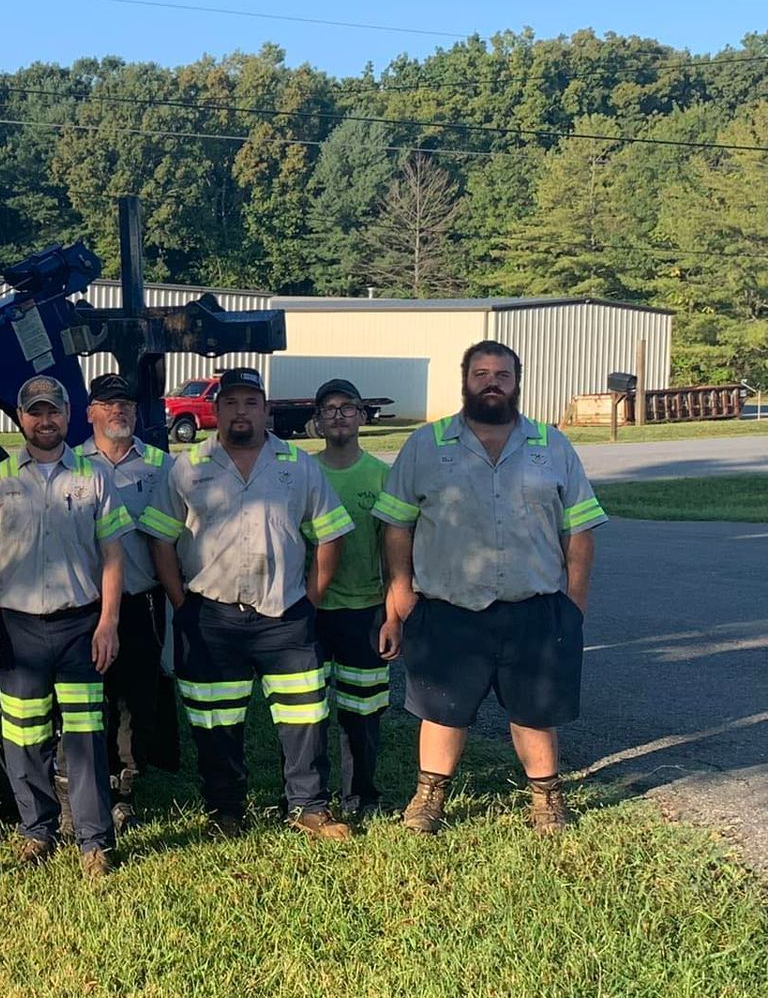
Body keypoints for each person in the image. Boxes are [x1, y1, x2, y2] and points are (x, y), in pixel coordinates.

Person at [373, 341, 605, 835]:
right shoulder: (426, 444)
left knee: (535, 711)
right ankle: (428, 800)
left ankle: (546, 800)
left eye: (502, 374)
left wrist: (575, 603)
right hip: (449, 607)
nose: (492, 382)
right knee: (441, 710)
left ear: (517, 383)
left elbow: (580, 528)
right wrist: (401, 595)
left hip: (534, 608)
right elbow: (395, 525)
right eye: (481, 373)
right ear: (466, 380)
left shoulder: (552, 445)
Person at [139, 367, 356, 842]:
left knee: (304, 718)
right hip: (210, 615)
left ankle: (308, 807)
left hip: (285, 615)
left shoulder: (297, 465)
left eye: (250, 402)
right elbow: (159, 536)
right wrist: (184, 602)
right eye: (231, 403)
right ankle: (226, 809)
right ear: (215, 411)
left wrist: (312, 597)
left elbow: (330, 533)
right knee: (216, 722)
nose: (241, 411)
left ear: (266, 409)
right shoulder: (188, 467)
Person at [0, 374, 128, 877]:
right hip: (18, 630)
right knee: (24, 735)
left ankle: (94, 841)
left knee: (84, 738)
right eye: (35, 412)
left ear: (67, 416)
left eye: (53, 411)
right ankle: (37, 830)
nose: (45, 420)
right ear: (20, 419)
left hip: (80, 626)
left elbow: (113, 554)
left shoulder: (93, 478)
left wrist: (108, 623)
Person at [75, 372, 181, 829]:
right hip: (83, 607)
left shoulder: (162, 466)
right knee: (87, 698)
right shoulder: (70, 463)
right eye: (107, 403)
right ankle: (88, 781)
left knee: (136, 699)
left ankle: (125, 785)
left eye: (126, 404)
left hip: (141, 602)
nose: (118, 411)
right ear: (90, 413)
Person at [309, 378, 392, 820]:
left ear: (361, 416)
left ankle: (361, 795)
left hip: (365, 611)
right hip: (311, 612)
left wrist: (394, 610)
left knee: (362, 712)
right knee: (307, 712)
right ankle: (307, 797)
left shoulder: (381, 475)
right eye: (329, 409)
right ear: (317, 421)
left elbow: (394, 551)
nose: (338, 415)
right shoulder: (303, 472)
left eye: (348, 407)